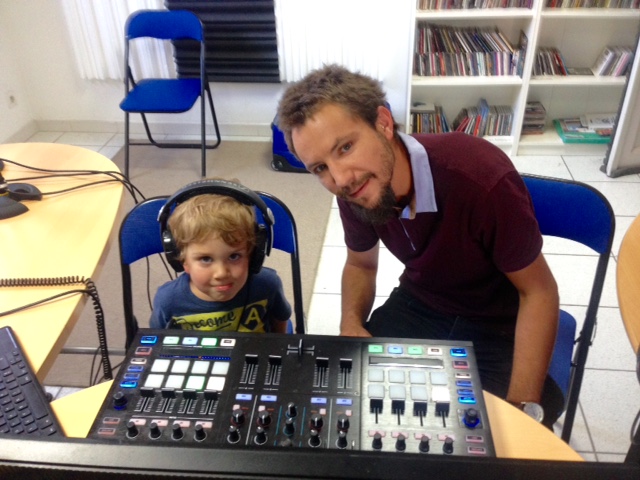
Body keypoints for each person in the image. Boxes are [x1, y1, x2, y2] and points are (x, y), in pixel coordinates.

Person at [277, 64, 562, 428]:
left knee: (487, 435)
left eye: (345, 147)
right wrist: (350, 322)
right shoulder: (354, 190)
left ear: (383, 123)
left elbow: (538, 291)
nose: (340, 178)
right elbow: (361, 264)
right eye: (320, 168)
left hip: (498, 323)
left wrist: (522, 405)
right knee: (346, 414)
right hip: (421, 301)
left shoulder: (479, 177)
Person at [150, 182, 292, 334]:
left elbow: (280, 325)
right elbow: (157, 339)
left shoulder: (268, 284)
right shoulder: (168, 300)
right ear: (181, 260)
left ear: (253, 255)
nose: (221, 273)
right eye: (206, 259)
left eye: (234, 256)